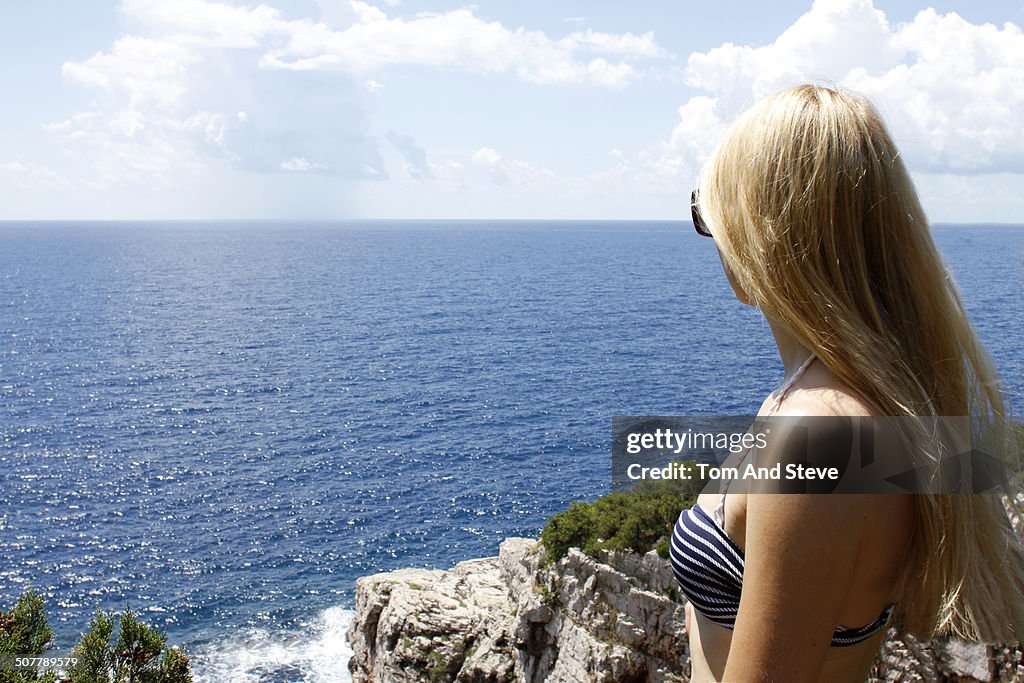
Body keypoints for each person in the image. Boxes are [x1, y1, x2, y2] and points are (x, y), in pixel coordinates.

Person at [669, 84, 1024, 682]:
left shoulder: (820, 432)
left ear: (762, 227)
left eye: (709, 211)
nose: (712, 236)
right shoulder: (845, 398)